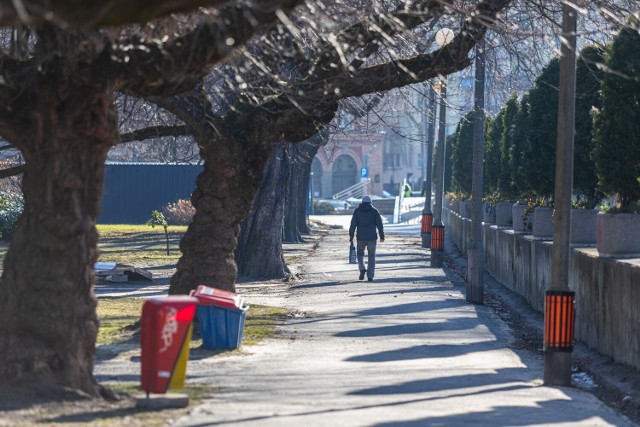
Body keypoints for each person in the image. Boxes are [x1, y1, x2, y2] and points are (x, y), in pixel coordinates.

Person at [349, 195, 385, 282]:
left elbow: (353, 224)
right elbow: (380, 224)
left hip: (361, 237)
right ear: (370, 202)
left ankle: (362, 269)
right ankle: (370, 276)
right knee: (371, 256)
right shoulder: (374, 211)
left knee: (360, 254)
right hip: (372, 237)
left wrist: (351, 236)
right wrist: (382, 236)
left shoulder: (357, 211)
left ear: (362, 202)